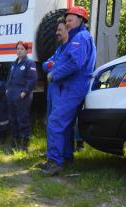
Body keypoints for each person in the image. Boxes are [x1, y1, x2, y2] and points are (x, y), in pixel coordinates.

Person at [41, 6, 96, 176]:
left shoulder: (80, 37)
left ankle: (55, 162)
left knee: (56, 122)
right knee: (64, 125)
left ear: (80, 20)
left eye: (70, 20)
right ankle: (65, 157)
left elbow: (74, 64)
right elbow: (52, 63)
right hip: (71, 86)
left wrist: (55, 73)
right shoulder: (77, 38)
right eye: (66, 20)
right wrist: (55, 68)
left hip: (73, 87)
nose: (67, 23)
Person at [5, 41, 38, 151]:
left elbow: (32, 79)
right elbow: (9, 78)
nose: (19, 51)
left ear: (26, 51)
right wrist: (7, 89)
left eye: (22, 49)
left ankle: (24, 145)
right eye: (18, 48)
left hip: (22, 95)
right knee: (12, 118)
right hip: (11, 94)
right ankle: (15, 143)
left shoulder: (30, 63)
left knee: (22, 118)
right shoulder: (14, 63)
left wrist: (24, 92)